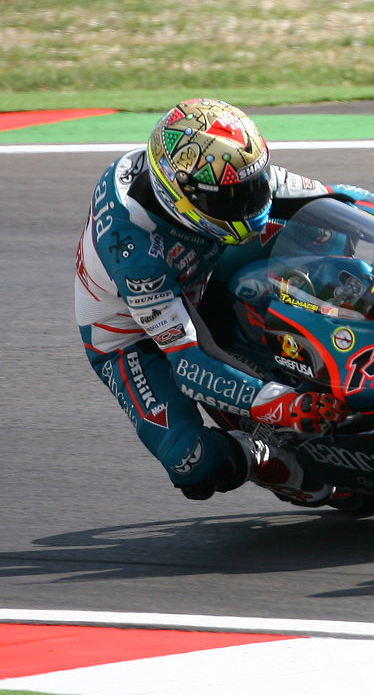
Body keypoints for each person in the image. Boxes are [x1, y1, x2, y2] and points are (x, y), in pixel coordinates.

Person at [75, 98, 358, 504]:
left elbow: (335, 199)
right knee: (192, 463)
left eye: (253, 184)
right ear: (179, 196)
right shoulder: (135, 256)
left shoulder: (208, 169)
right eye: (231, 198)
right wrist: (284, 406)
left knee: (324, 230)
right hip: (134, 336)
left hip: (201, 262)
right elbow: (189, 364)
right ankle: (260, 458)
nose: (249, 202)